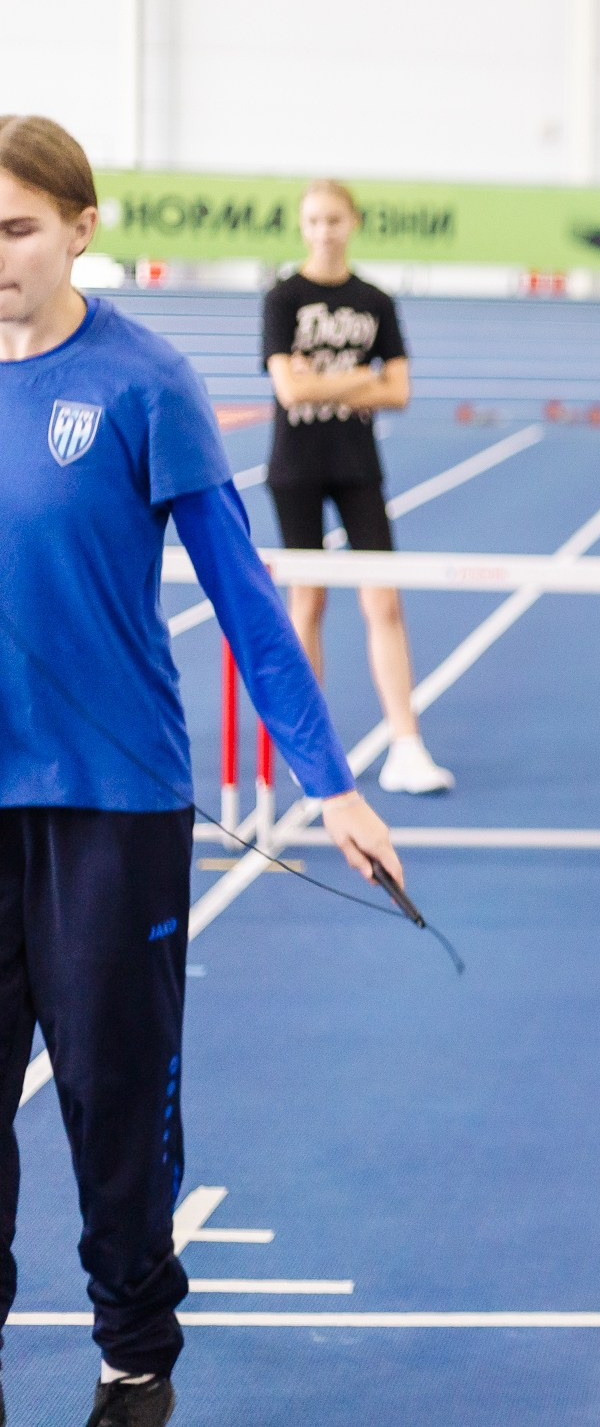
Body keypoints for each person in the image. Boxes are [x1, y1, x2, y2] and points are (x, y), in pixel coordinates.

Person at [0, 117, 404, 1427]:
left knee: (113, 1097)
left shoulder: (143, 381)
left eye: (15, 229)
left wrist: (329, 776)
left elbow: (243, 592)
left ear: (80, 225)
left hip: (112, 801)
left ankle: (132, 1350)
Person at [262, 180, 450, 794]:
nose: (323, 230)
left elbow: (399, 391)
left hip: (358, 467)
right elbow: (290, 392)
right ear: (301, 225)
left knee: (383, 602)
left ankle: (406, 744)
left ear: (353, 222)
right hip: (296, 469)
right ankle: (309, 746)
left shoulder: (376, 300)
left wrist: (324, 378)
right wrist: (358, 381)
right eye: (313, 220)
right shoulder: (283, 298)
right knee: (308, 603)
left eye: (334, 219)